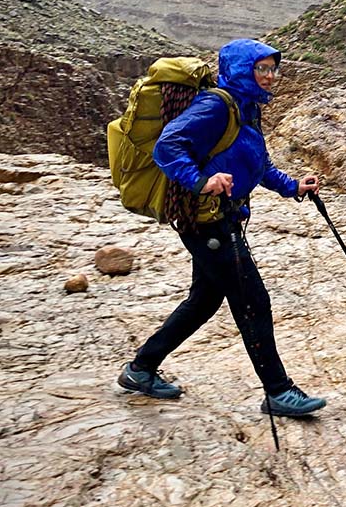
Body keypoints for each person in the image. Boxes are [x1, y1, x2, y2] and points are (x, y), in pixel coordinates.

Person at [116, 38, 327, 417]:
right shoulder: (216, 105)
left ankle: (141, 369)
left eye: (272, 68)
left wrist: (292, 186)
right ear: (241, 70)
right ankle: (279, 391)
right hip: (206, 221)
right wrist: (201, 181)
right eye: (260, 68)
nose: (269, 76)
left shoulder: (247, 108)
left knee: (204, 300)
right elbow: (168, 147)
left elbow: (256, 164)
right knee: (253, 301)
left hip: (223, 217)